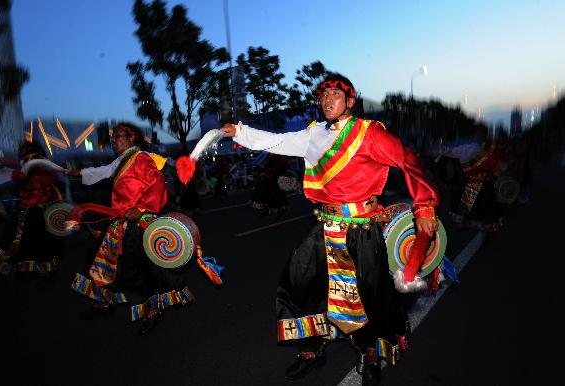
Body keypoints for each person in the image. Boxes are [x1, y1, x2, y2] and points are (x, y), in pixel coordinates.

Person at [220, 73, 439, 386]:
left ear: (350, 101)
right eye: (322, 96)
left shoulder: (369, 133)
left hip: (362, 229)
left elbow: (408, 160)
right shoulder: (313, 134)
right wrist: (240, 131)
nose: (326, 100)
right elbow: (277, 141)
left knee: (368, 297)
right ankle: (311, 348)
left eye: (334, 94)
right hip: (324, 226)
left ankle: (369, 352)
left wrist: (425, 205)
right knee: (298, 282)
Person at [66, 123, 190, 335]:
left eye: (118, 137)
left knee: (138, 273)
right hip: (120, 221)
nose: (114, 141)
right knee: (99, 261)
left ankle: (153, 310)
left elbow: (158, 183)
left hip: (138, 223)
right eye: (113, 138)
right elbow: (101, 172)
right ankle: (103, 303)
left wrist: (141, 208)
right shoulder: (121, 161)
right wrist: (73, 172)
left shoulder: (142, 158)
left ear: (131, 139)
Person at [0, 141, 62, 277]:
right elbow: (21, 167)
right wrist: (3, 161)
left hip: (34, 208)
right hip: (38, 207)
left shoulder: (33, 161)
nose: (19, 151)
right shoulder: (38, 160)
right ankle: (40, 268)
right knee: (37, 238)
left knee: (25, 238)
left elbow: (22, 174)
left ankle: (30, 269)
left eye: (21, 149)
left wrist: (10, 172)